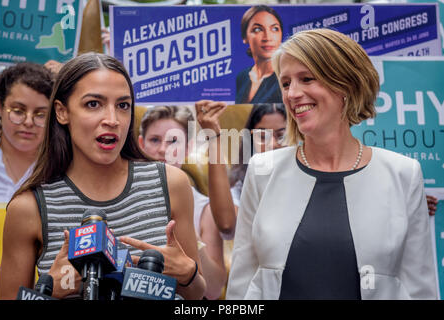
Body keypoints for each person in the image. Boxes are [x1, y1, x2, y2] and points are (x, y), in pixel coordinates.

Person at [226, 29, 437, 300]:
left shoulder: (403, 174)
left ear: (345, 85)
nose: (292, 94)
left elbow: (420, 287)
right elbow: (242, 285)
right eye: (287, 83)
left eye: (307, 79)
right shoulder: (262, 170)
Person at [0, 53, 206, 300]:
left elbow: (197, 296)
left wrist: (188, 273)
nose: (112, 120)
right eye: (93, 104)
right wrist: (50, 289)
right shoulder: (28, 208)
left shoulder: (172, 184)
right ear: (62, 112)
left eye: (123, 105)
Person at [138, 105, 227, 300]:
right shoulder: (125, 196)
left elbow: (213, 291)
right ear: (141, 144)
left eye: (173, 141)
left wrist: (189, 234)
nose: (163, 149)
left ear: (188, 148)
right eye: (154, 140)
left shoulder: (204, 208)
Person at [195, 100, 286, 239]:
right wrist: (213, 137)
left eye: (282, 136)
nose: (272, 144)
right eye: (262, 136)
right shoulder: (244, 184)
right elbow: (227, 225)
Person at [0, 62, 53, 204]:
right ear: (0, 107)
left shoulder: (60, 164)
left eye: (40, 114)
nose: (28, 122)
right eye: (18, 111)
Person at [235, 5, 284, 104]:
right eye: (258, 29)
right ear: (245, 37)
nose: (268, 37)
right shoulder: (242, 76)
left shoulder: (285, 76)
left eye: (274, 29)